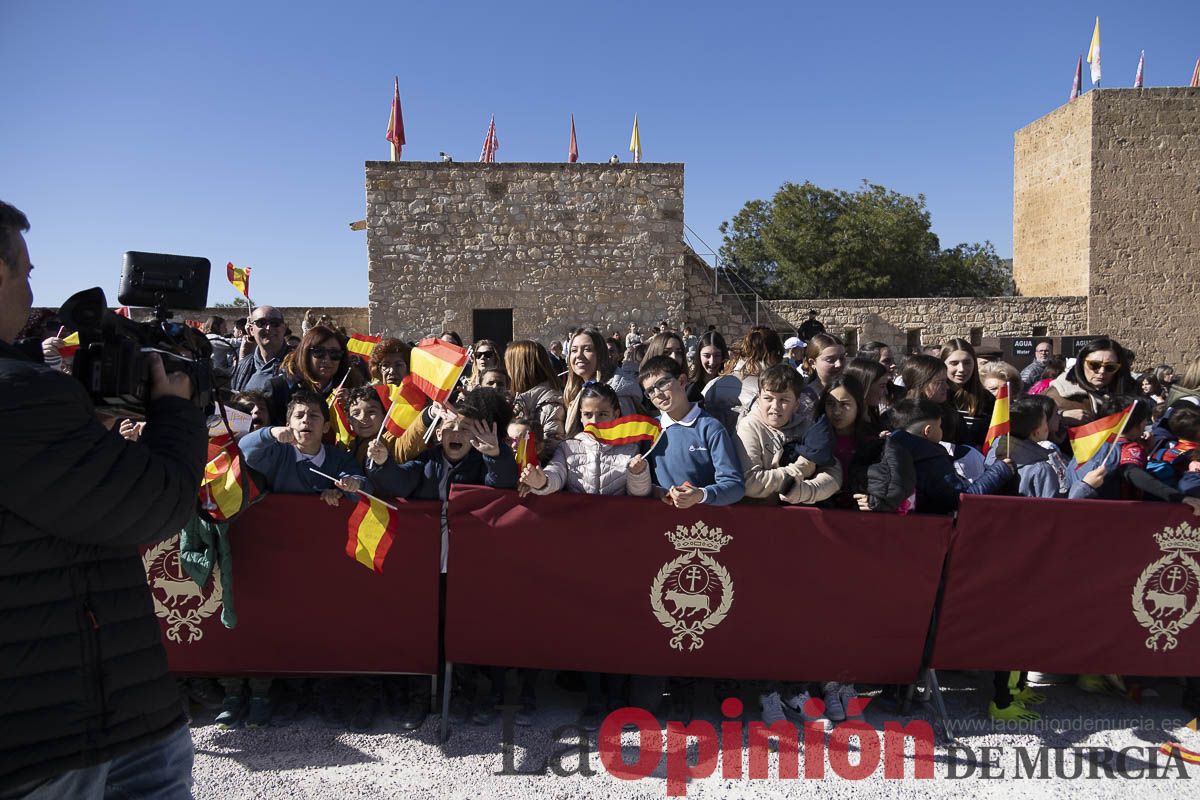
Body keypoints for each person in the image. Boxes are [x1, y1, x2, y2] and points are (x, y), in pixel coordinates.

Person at [1, 200, 207, 798]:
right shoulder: (20, 397)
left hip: (82, 710)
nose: (32, 292)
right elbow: (158, 503)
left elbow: (57, 494)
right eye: (26, 273)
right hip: (61, 732)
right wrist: (175, 413)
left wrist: (85, 428)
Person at [639, 355, 744, 509]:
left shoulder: (710, 428)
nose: (658, 393)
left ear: (682, 381)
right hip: (661, 519)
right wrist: (655, 490)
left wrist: (700, 495)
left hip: (705, 520)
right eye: (650, 391)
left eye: (662, 383)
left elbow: (735, 486)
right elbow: (642, 483)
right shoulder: (650, 430)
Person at [520, 382, 651, 499]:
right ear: (581, 416)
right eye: (588, 415)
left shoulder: (630, 449)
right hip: (578, 517)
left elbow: (639, 495)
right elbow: (556, 473)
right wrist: (542, 481)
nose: (594, 421)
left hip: (615, 517)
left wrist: (638, 474)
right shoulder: (568, 448)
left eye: (602, 414)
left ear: (615, 415)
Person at [734, 364, 841, 506]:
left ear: (796, 404)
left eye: (784, 400)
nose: (775, 406)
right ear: (759, 398)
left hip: (799, 513)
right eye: (768, 398)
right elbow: (749, 482)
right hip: (760, 511)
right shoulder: (750, 427)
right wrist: (799, 469)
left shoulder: (807, 426)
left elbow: (834, 472)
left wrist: (805, 491)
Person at [886, 398, 1013, 514]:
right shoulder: (931, 459)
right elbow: (962, 498)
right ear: (928, 431)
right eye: (939, 426)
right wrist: (1000, 470)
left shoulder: (887, 449)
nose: (941, 430)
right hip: (929, 525)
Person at [1044, 337, 1136, 428]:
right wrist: (1061, 416)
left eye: (1110, 367)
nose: (1101, 371)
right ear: (1081, 363)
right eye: (1094, 365)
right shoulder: (1055, 395)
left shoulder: (1132, 393)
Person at [505, 340, 566, 463]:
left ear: (519, 367)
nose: (507, 370)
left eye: (508, 364)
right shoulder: (521, 398)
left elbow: (552, 447)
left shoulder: (550, 402)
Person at [939, 338, 994, 449]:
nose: (962, 369)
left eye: (967, 363)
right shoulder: (935, 396)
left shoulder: (987, 399)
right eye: (954, 363)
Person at [229, 305, 292, 393]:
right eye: (261, 323)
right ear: (251, 330)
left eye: (275, 323)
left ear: (284, 328)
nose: (268, 328)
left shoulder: (299, 364)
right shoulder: (243, 366)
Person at [203, 315, 238, 386]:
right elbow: (232, 343)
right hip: (217, 374)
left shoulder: (208, 337)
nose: (226, 329)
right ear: (215, 326)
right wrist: (247, 340)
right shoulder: (213, 338)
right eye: (224, 326)